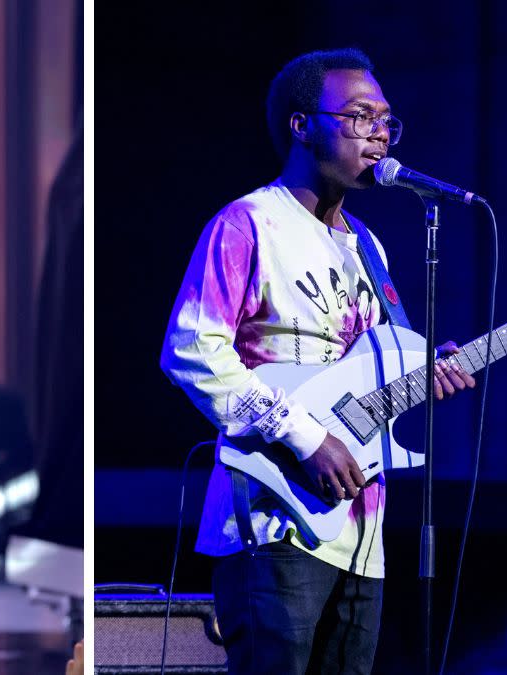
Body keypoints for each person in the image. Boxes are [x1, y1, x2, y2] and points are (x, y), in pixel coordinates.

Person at [159, 48, 475, 674]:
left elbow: (371, 363)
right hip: (274, 522)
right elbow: (192, 349)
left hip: (362, 535)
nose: (379, 132)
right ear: (302, 125)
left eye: (387, 119)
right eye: (359, 116)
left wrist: (425, 365)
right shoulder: (250, 223)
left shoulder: (369, 248)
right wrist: (305, 437)